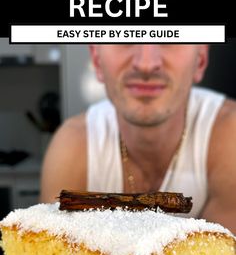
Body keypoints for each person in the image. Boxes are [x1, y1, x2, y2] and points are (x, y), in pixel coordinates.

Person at [40, 44, 236, 233]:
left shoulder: (229, 135)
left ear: (200, 59)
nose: (146, 65)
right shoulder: (72, 148)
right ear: (96, 59)